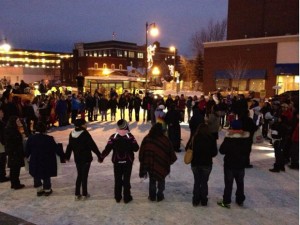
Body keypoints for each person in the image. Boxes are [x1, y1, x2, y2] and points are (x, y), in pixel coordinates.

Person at [100, 119, 139, 203]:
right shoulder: (130, 136)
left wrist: (102, 157)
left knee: (117, 179)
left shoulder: (113, 136)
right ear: (126, 126)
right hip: (128, 161)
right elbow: (136, 148)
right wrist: (130, 146)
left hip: (117, 161)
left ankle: (118, 197)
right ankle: (126, 197)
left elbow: (108, 148)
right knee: (126, 179)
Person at [139, 123, 177, 202]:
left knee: (152, 180)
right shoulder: (165, 140)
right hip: (162, 164)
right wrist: (169, 160)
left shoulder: (147, 138)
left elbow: (142, 151)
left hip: (150, 163)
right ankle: (160, 195)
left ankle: (152, 196)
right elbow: (171, 152)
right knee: (161, 179)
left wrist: (143, 160)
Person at [25, 122, 65, 196]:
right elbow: (56, 149)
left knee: (36, 175)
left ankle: (39, 190)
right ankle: (47, 189)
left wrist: (26, 157)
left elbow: (27, 150)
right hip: (46, 160)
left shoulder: (31, 138)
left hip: (35, 160)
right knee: (46, 175)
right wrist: (63, 155)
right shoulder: (49, 138)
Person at [65, 119, 102, 200]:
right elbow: (93, 145)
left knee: (79, 175)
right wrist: (99, 156)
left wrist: (67, 156)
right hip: (86, 158)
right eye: (85, 124)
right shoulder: (85, 134)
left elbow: (69, 146)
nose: (86, 125)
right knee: (84, 176)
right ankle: (84, 194)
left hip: (77, 158)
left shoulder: (72, 134)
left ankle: (77, 194)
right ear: (82, 125)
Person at [217, 120, 250, 208]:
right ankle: (240, 200)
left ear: (232, 128)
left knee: (228, 184)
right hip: (240, 165)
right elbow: (247, 151)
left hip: (229, 164)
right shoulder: (245, 139)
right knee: (240, 183)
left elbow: (222, 151)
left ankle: (226, 201)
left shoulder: (229, 139)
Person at [188, 123, 217, 206]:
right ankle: (204, 200)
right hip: (207, 163)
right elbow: (214, 153)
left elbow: (189, 148)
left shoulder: (195, 138)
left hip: (195, 163)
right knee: (204, 182)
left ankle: (195, 200)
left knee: (197, 181)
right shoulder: (211, 138)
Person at [4, 116, 26, 190]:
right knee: (15, 168)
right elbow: (13, 141)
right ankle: (15, 183)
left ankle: (14, 183)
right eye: (17, 121)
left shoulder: (14, 129)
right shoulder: (11, 130)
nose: (19, 122)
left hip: (15, 151)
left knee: (15, 168)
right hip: (14, 152)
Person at [0, 108, 9, 182]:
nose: (3, 113)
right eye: (1, 112)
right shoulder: (1, 123)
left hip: (2, 143)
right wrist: (4, 142)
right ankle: (2, 176)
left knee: (3, 159)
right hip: (1, 144)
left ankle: (2, 174)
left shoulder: (2, 122)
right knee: (2, 160)